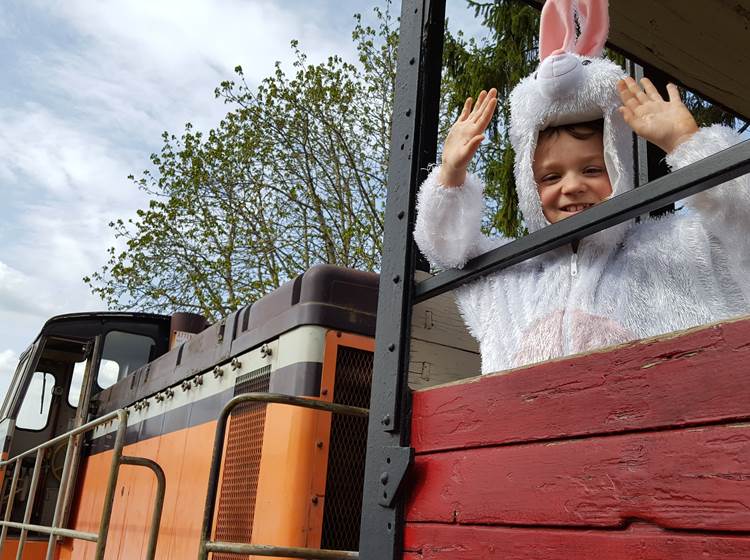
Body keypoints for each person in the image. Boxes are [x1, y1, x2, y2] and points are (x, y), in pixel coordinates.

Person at [414, 0, 750, 375]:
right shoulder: (513, 274)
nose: (572, 186)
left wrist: (690, 145)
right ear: (529, 186)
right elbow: (446, 248)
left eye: (591, 169)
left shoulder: (672, 249)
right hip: (530, 430)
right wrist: (449, 176)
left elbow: (743, 224)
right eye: (551, 177)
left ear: (619, 169)